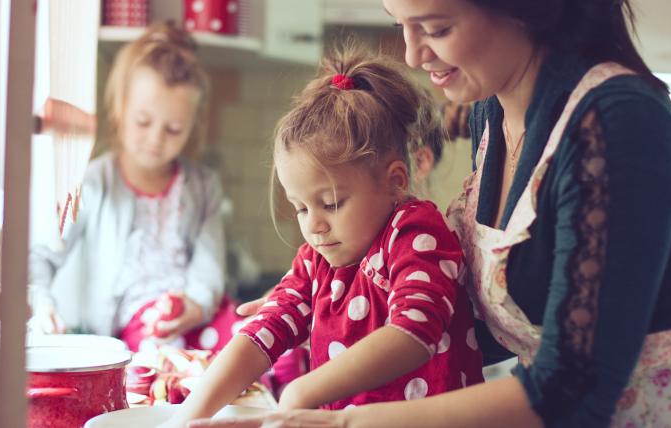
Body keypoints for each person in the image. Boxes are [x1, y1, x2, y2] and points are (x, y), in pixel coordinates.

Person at [190, 1, 671, 427]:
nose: (415, 54)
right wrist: (341, 312)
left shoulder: (617, 126)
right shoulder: (490, 112)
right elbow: (470, 305)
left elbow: (573, 387)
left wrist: (343, 420)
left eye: (437, 28)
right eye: (402, 26)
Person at [161, 46, 483, 425]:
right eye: (301, 208)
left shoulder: (415, 232)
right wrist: (183, 421)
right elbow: (263, 332)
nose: (314, 225)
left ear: (395, 181)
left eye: (330, 204)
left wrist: (302, 390)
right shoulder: (317, 260)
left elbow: (413, 334)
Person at [28, 21, 238, 354]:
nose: (156, 139)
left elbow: (209, 267)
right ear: (120, 107)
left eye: (173, 129)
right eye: (143, 122)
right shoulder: (93, 183)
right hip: (136, 332)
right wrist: (40, 301)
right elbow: (41, 254)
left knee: (257, 341)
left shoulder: (203, 186)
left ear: (192, 127)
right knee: (166, 359)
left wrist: (194, 305)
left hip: (198, 314)